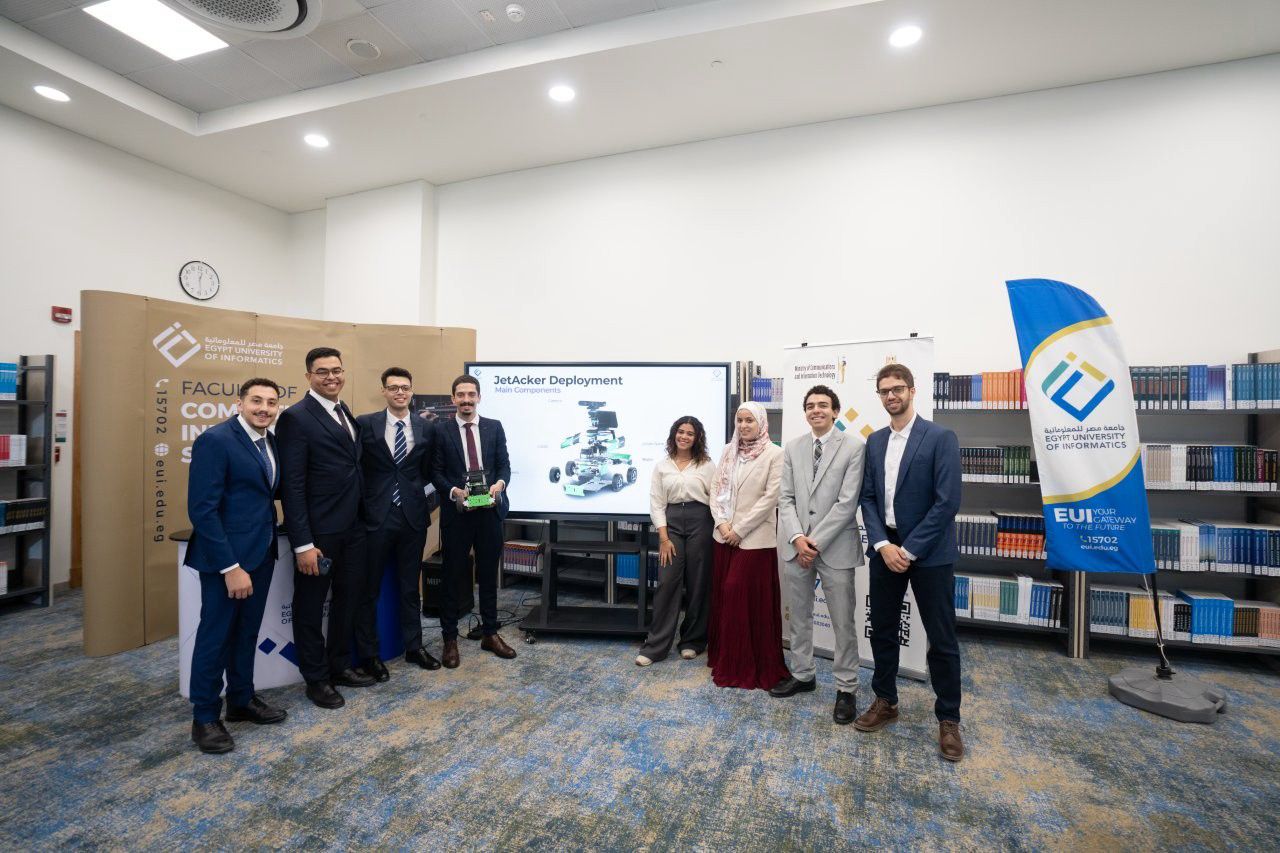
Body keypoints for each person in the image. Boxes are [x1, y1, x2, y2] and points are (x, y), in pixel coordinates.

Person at [856, 362, 965, 761]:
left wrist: (910, 549)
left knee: (942, 638)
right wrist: (884, 544)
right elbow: (868, 497)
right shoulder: (875, 441)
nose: (891, 395)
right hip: (886, 547)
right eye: (884, 390)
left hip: (929, 550)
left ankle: (949, 719)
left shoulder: (940, 437)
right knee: (882, 629)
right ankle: (885, 700)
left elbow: (947, 502)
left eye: (897, 388)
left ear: (912, 390)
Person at [183, 378, 288, 754]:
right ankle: (205, 717)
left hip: (261, 553)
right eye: (256, 401)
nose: (264, 408)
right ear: (239, 403)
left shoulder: (269, 440)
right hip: (226, 560)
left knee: (246, 632)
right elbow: (202, 510)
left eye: (271, 402)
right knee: (216, 637)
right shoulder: (216, 440)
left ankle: (241, 699)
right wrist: (230, 567)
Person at [276, 346, 375, 710]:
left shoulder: (342, 409)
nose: (331, 377)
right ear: (308, 376)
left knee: (347, 599)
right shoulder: (295, 418)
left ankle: (339, 665)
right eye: (322, 372)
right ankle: (316, 679)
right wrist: (303, 543)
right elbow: (293, 485)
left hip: (354, 527)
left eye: (336, 370)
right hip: (319, 533)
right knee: (310, 605)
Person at [772, 384, 867, 725]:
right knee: (799, 616)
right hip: (796, 547)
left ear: (835, 411)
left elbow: (847, 503)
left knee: (843, 622)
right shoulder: (793, 447)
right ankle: (803, 674)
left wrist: (813, 542)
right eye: (811, 405)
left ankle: (846, 688)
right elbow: (785, 498)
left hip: (835, 548)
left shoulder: (854, 447)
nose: (816, 410)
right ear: (806, 412)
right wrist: (798, 538)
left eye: (823, 405)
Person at [354, 367, 440, 680]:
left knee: (409, 588)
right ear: (384, 391)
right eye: (393, 388)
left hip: (412, 517)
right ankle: (369, 655)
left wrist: (415, 495)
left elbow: (428, 470)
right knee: (369, 589)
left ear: (411, 391)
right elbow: (358, 467)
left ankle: (414, 647)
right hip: (376, 516)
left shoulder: (426, 427)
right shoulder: (365, 423)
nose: (399, 392)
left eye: (404, 387)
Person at [431, 374, 515, 668]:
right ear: (453, 399)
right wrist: (454, 491)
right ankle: (450, 639)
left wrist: (500, 484)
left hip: (489, 512)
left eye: (471, 394)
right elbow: (435, 472)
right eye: (461, 395)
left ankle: (490, 633)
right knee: (452, 576)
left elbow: (504, 465)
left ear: (478, 397)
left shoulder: (494, 427)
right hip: (458, 514)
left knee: (489, 576)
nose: (466, 400)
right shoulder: (440, 431)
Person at [706, 402, 788, 690]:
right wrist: (722, 524)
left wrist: (739, 530)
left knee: (738, 594)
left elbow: (770, 498)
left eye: (749, 420)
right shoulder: (728, 451)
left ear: (761, 423)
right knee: (725, 598)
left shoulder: (775, 454)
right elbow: (715, 490)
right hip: (723, 536)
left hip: (755, 540)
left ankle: (746, 663)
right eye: (739, 420)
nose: (743, 426)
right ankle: (725, 657)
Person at [636, 416, 716, 667]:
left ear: (697, 438)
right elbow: (656, 503)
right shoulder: (662, 466)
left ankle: (692, 641)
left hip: (701, 521)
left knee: (698, 582)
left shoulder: (707, 465)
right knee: (667, 582)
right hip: (670, 525)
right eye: (681, 432)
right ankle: (655, 647)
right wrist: (663, 537)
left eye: (690, 433)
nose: (684, 436)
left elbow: (715, 498)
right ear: (674, 434)